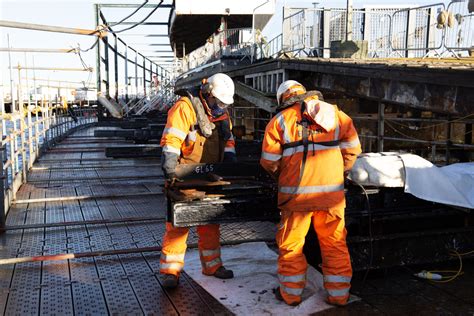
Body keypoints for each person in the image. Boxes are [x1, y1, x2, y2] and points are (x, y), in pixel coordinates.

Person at [260, 80, 361, 306]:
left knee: (292, 245)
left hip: (296, 198)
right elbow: (353, 149)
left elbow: (269, 162)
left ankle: (291, 294)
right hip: (331, 197)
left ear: (282, 99)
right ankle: (339, 295)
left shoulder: (279, 122)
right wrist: (339, 171)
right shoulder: (336, 115)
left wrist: (283, 175)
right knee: (334, 243)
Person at [160, 73, 237, 288]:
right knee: (177, 226)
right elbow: (172, 138)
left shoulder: (221, 114)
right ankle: (170, 272)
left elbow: (228, 140)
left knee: (210, 223)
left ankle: (212, 265)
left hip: (210, 177)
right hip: (183, 175)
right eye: (218, 102)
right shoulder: (185, 107)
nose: (221, 106)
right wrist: (170, 166)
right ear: (207, 94)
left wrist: (229, 161)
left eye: (223, 103)